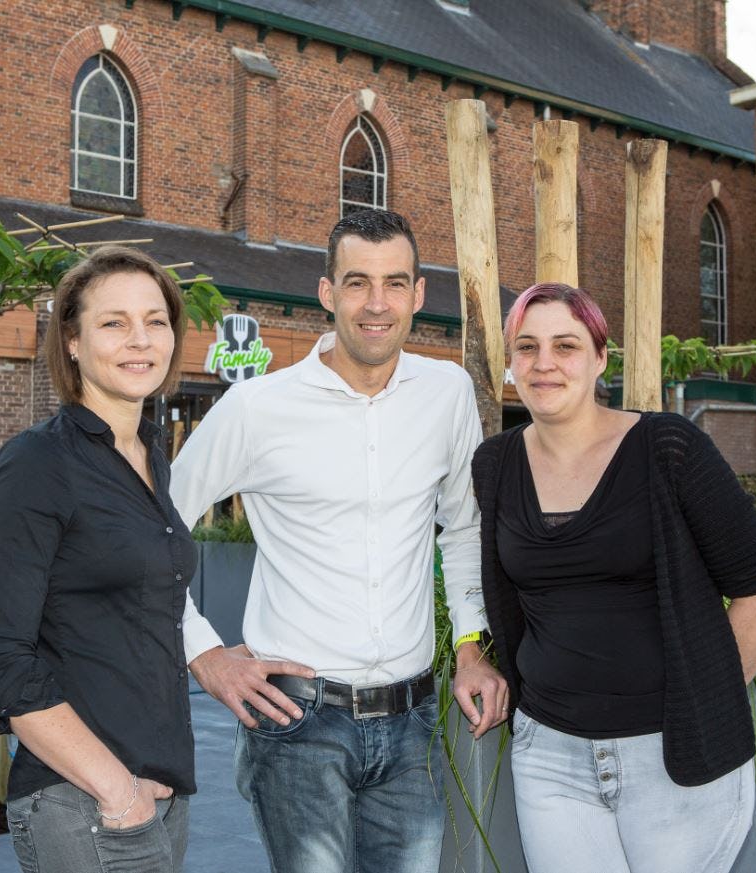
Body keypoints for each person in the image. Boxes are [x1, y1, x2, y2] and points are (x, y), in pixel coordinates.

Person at [171, 209, 508, 873]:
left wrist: (470, 645)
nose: (376, 304)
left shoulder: (446, 393)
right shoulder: (257, 408)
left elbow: (464, 525)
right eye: (357, 283)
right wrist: (202, 653)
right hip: (299, 723)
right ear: (327, 292)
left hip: (412, 722)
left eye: (394, 283)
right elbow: (153, 529)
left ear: (418, 294)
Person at [472, 283, 756, 873]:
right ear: (510, 363)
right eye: (527, 347)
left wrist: (703, 703)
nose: (544, 363)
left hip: (671, 757)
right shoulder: (494, 464)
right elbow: (495, 590)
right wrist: (472, 653)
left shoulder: (668, 448)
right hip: (549, 758)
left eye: (566, 345)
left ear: (600, 358)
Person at [0, 247, 197, 873]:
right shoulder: (38, 463)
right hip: (85, 800)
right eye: (114, 322)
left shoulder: (150, 455)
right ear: (72, 341)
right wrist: (118, 793)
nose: (140, 339)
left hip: (158, 791)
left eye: (155, 321)